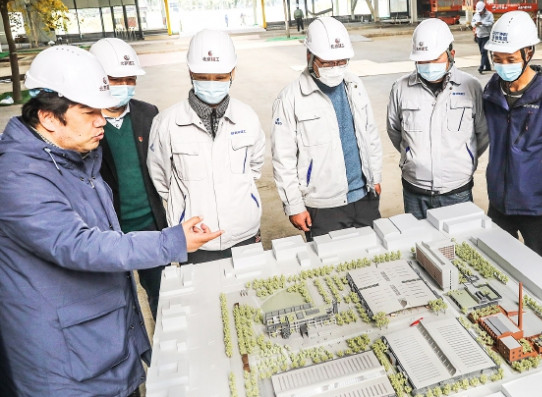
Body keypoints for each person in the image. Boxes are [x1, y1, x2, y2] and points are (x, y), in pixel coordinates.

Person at [0, 46, 220, 397]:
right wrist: (171, 241)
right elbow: (79, 245)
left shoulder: (75, 158)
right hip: (65, 370)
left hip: (98, 348)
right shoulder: (18, 177)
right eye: (89, 112)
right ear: (49, 118)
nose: (101, 120)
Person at [148, 29, 266, 264]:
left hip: (244, 232)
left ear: (233, 72)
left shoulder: (247, 117)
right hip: (195, 238)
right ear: (190, 72)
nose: (211, 84)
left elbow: (254, 167)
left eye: (220, 77)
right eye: (203, 77)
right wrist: (187, 204)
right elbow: (161, 179)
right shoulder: (167, 123)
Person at [272, 17, 382, 239]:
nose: (335, 68)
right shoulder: (290, 99)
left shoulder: (354, 85)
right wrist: (294, 205)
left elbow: (370, 133)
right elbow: (283, 159)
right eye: (328, 62)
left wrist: (375, 175)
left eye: (341, 61)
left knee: (374, 255)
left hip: (364, 196)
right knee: (331, 260)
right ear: (309, 56)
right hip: (322, 207)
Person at [482, 11, 542, 263]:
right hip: (499, 199)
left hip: (535, 204)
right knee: (498, 261)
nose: (503, 65)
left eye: (510, 59)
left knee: (538, 263)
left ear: (529, 52)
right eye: (497, 59)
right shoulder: (491, 91)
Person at [90, 38, 168, 319]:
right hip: (107, 233)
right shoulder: (84, 122)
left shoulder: (149, 114)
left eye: (130, 79)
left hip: (149, 228)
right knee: (114, 305)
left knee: (162, 295)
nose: (124, 85)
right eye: (116, 79)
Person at [387, 18, 489, 219]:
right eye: (422, 60)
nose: (428, 65)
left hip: (457, 190)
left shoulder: (471, 87)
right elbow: (394, 131)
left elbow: (482, 133)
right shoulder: (400, 88)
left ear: (451, 54)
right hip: (415, 190)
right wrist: (412, 156)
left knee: (459, 239)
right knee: (418, 238)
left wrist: (464, 158)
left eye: (435, 59)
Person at [471, 0, 494, 74]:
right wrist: (475, 24)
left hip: (486, 36)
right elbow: (472, 23)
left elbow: (491, 23)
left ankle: (481, 67)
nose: (480, 13)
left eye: (481, 11)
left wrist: (483, 23)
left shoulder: (489, 14)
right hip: (479, 36)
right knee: (482, 52)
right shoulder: (476, 14)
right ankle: (488, 67)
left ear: (484, 8)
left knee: (484, 52)